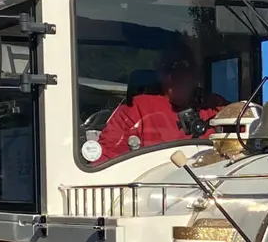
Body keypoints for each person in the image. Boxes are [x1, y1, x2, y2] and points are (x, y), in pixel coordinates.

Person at [96, 54, 225, 163]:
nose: (179, 75)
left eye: (186, 67)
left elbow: (242, 131)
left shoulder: (214, 105)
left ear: (196, 75)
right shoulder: (135, 108)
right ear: (161, 75)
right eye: (171, 68)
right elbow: (104, 158)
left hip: (207, 184)